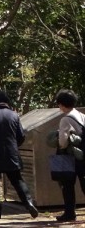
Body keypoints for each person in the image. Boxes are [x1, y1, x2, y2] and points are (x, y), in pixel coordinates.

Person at [0, 90, 38, 220]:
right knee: (17, 180)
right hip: (12, 154)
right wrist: (13, 145)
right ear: (6, 101)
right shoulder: (14, 115)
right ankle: (28, 203)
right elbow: (21, 136)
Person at [54, 89, 85, 222]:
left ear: (61, 104)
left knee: (67, 185)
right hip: (82, 155)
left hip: (69, 156)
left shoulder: (65, 119)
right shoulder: (81, 115)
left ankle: (69, 213)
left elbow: (62, 142)